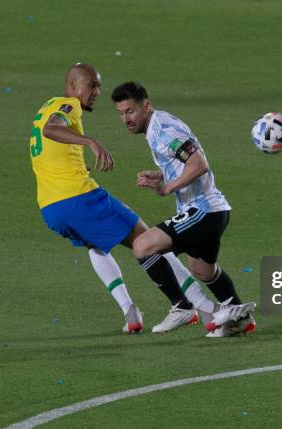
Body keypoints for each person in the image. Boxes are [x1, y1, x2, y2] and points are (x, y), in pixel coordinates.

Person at [29, 64, 220, 334]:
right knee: (149, 241)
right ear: (73, 85)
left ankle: (130, 312)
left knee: (95, 245)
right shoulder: (67, 105)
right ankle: (198, 306)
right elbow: (52, 129)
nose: (96, 92)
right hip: (78, 198)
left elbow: (45, 141)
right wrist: (91, 142)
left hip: (51, 207)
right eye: (91, 85)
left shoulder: (44, 107)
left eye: (98, 86)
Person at [111, 81, 257, 337]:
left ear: (146, 106)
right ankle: (239, 317)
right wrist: (162, 176)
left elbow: (199, 164)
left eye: (130, 111)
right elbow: (185, 161)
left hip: (203, 210)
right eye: (121, 113)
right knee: (201, 269)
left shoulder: (163, 132)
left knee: (143, 245)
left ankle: (182, 307)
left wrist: (168, 188)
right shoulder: (160, 124)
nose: (126, 119)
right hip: (214, 210)